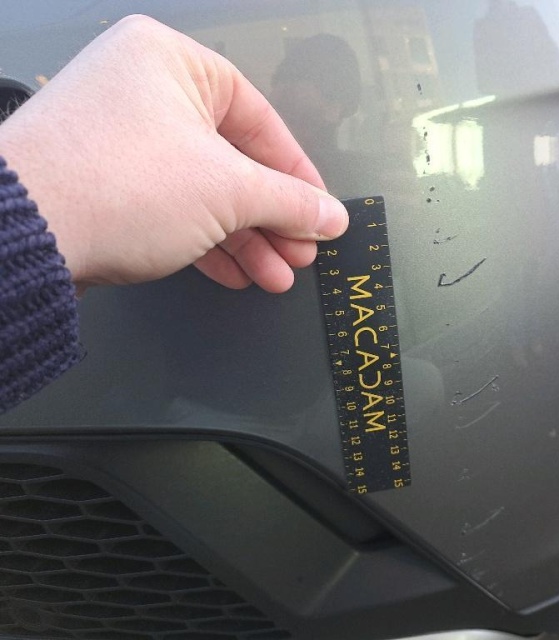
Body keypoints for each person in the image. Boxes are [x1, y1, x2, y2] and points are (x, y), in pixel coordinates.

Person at [0, 15, 349, 413]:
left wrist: (42, 211)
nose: (284, 87)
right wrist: (54, 208)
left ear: (337, 107)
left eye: (303, 81)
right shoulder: (209, 161)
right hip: (183, 403)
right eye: (285, 74)